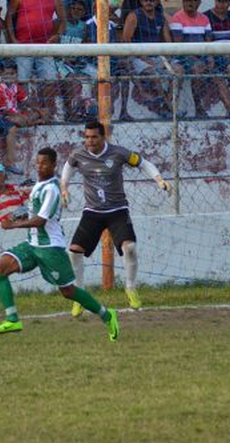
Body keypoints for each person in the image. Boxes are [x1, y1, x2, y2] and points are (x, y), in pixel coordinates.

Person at [0, 147, 119, 340]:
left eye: (45, 163)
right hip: (32, 244)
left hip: (50, 248)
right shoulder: (39, 185)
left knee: (68, 291)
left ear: (53, 165)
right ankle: (12, 319)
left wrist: (13, 224)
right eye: (38, 163)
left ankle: (107, 315)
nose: (40, 166)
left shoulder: (52, 189)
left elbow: (40, 220)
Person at [61, 121, 172, 313]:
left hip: (117, 210)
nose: (90, 141)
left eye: (94, 137)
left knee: (129, 248)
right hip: (93, 212)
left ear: (103, 137)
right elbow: (67, 169)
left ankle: (130, 288)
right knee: (74, 252)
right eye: (87, 137)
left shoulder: (118, 153)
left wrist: (159, 179)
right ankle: (79, 295)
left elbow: (143, 163)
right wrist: (64, 187)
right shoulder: (78, 154)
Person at [5, 0, 67, 122]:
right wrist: (12, 39)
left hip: (45, 47)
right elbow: (8, 17)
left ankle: (47, 113)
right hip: (23, 46)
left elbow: (63, 21)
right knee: (22, 80)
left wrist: (57, 35)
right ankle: (25, 114)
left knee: (50, 79)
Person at [122, 0, 173, 118]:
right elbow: (126, 41)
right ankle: (170, 108)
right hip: (137, 56)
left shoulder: (161, 18)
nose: (148, 1)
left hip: (157, 57)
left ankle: (167, 106)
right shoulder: (134, 16)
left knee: (178, 70)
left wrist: (167, 58)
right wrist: (143, 57)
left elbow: (168, 41)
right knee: (153, 73)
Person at [170, 0, 214, 118]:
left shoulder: (205, 19)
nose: (190, 3)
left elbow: (208, 41)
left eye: (194, 1)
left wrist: (210, 57)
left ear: (199, 3)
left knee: (207, 67)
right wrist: (194, 57)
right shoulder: (177, 18)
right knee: (196, 68)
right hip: (182, 57)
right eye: (187, 0)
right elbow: (179, 44)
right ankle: (195, 107)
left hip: (200, 57)